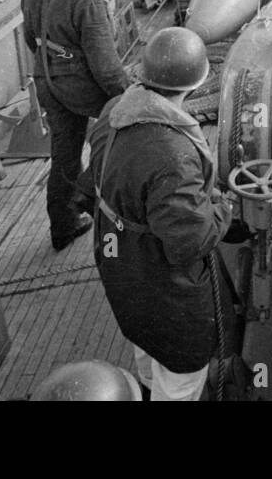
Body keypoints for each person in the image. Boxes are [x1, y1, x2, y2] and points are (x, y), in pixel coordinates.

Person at [84, 27, 233, 401]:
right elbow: (191, 241)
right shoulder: (174, 154)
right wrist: (224, 207)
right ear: (197, 83)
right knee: (181, 378)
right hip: (164, 289)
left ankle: (149, 388)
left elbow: (91, 185)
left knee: (145, 345)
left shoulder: (112, 113)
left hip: (119, 261)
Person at [21, 0, 130, 251]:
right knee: (126, 141)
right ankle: (107, 208)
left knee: (64, 156)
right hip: (83, 88)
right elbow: (105, 66)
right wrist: (130, 95)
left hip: (47, 82)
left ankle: (63, 226)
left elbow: (30, 37)